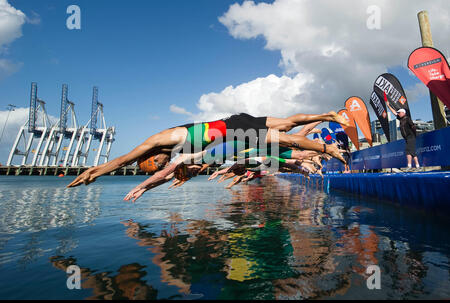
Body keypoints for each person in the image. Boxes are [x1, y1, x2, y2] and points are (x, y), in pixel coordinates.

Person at [67, 112, 348, 188]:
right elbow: (160, 171)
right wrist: (94, 172)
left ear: (152, 157)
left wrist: (96, 172)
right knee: (288, 124)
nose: (161, 162)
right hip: (234, 122)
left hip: (236, 130)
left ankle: (329, 148)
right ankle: (327, 114)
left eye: (154, 163)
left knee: (286, 140)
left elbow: (122, 159)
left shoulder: (157, 140)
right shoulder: (174, 149)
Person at [386, 103, 419, 171]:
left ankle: (416, 166)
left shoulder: (407, 118)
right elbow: (394, 113)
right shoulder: (401, 119)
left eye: (399, 113)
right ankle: (411, 166)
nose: (398, 114)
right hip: (407, 138)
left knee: (411, 151)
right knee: (408, 152)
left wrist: (414, 135)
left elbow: (413, 126)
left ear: (403, 113)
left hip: (411, 137)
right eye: (398, 113)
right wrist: (388, 106)